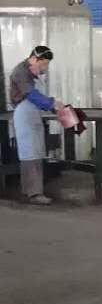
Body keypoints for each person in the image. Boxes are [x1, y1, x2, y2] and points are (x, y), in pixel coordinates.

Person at [8, 45, 59, 206]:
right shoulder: (21, 71)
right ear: (33, 59)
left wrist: (53, 105)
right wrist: (51, 104)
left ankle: (30, 190)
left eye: (46, 64)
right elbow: (31, 94)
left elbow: (38, 95)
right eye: (43, 64)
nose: (45, 68)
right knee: (29, 153)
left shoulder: (33, 71)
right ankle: (34, 193)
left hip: (34, 114)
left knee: (36, 152)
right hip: (24, 114)